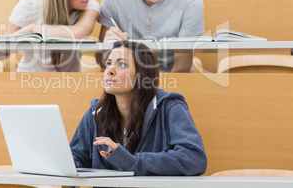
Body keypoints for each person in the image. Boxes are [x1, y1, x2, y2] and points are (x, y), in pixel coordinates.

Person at [71, 41, 207, 175]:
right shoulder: (95, 113)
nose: (110, 71)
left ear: (142, 75)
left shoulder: (170, 107)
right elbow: (75, 159)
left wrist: (132, 162)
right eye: (108, 63)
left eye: (121, 64)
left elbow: (194, 158)